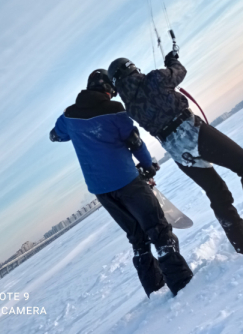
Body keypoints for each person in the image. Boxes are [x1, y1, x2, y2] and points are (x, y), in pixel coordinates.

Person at [107, 54, 243, 254]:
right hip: (193, 131)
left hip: (177, 152)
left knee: (216, 192)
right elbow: (180, 71)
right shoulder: (154, 79)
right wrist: (171, 61)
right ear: (132, 69)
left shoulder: (131, 108)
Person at [49, 68, 193, 296]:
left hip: (101, 190)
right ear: (108, 89)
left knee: (137, 239)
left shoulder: (69, 116)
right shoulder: (114, 110)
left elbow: (55, 135)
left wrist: (72, 132)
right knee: (158, 230)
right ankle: (182, 283)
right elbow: (134, 142)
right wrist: (148, 164)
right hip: (128, 181)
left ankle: (154, 289)